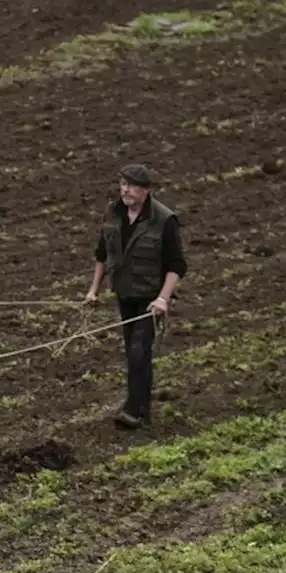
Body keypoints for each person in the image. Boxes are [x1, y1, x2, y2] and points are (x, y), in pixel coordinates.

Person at [85, 164, 188, 428]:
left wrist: (163, 299)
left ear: (145, 191)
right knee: (135, 352)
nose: (125, 190)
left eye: (131, 186)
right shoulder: (112, 212)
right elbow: (101, 254)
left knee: (139, 349)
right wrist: (93, 291)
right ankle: (142, 411)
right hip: (125, 294)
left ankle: (133, 410)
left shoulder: (164, 220)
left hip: (150, 298)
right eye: (122, 184)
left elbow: (176, 266)